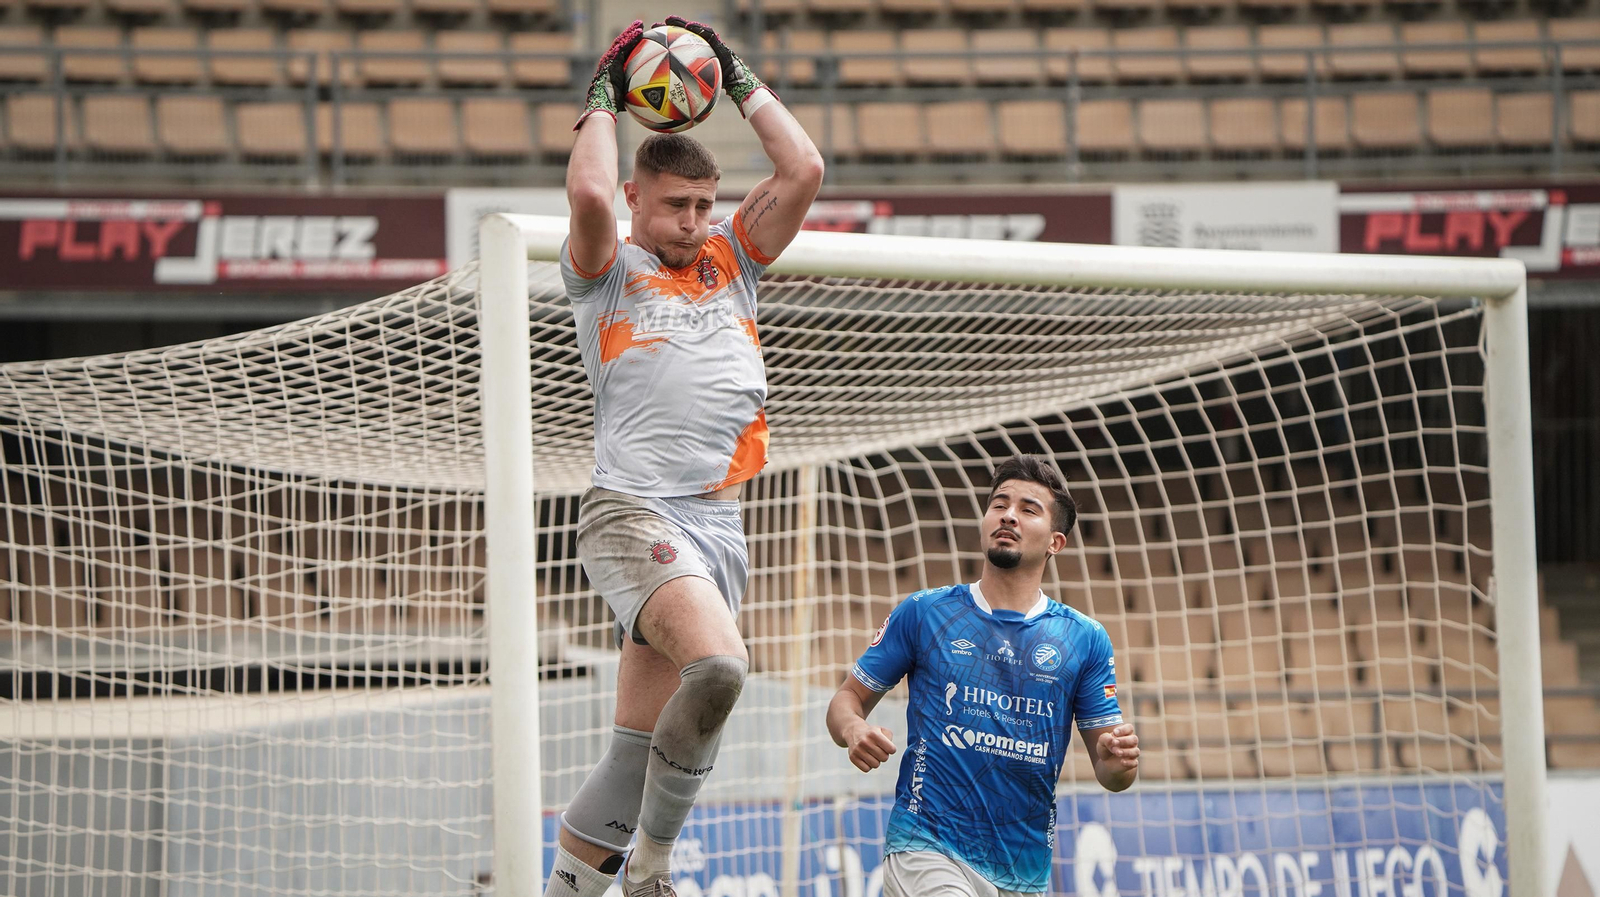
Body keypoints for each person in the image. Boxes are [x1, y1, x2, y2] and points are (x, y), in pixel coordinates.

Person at [545, 16, 824, 897]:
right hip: (634, 511)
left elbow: (803, 168)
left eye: (706, 205)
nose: (696, 222)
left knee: (634, 754)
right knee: (723, 666)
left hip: (718, 523)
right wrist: (601, 96)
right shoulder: (607, 270)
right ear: (639, 198)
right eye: (677, 206)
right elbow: (588, 194)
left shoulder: (732, 258)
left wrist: (735, 74)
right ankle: (653, 871)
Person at [825, 455, 1141, 897]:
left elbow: (1111, 773)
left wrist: (1119, 761)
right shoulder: (925, 612)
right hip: (927, 843)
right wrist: (854, 728)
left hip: (1022, 868)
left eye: (1028, 509)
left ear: (1055, 542)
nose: (1008, 515)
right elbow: (846, 699)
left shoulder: (1084, 638)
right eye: (999, 504)